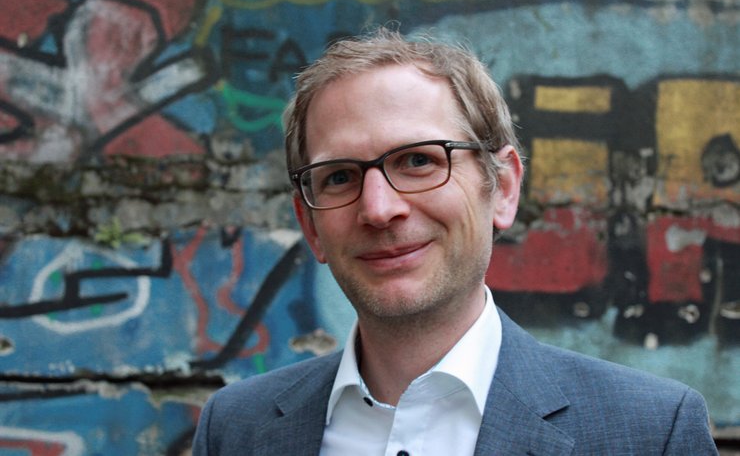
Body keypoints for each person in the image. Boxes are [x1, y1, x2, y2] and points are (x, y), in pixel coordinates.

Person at [192, 27, 717, 455]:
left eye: (418, 160)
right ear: (310, 226)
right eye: (340, 177)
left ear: (502, 189)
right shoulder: (234, 430)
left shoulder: (651, 434)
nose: (378, 208)